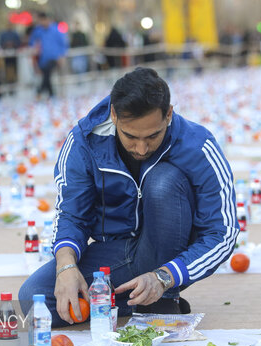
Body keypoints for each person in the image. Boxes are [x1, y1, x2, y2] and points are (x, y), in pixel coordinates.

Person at [18, 67, 239, 327]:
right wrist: (66, 268)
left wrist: (165, 276)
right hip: (117, 253)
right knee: (33, 299)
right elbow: (71, 214)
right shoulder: (83, 142)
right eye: (130, 136)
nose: (141, 148)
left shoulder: (198, 145)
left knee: (163, 181)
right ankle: (141, 302)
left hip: (170, 254)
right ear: (114, 115)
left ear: (168, 114)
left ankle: (161, 294)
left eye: (153, 136)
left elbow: (222, 234)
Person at [29, 12, 68, 98]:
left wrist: (62, 56)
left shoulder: (56, 30)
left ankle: (39, 91)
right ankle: (51, 94)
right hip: (43, 59)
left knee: (47, 73)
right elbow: (32, 42)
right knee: (47, 75)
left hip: (55, 57)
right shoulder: (38, 30)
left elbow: (64, 43)